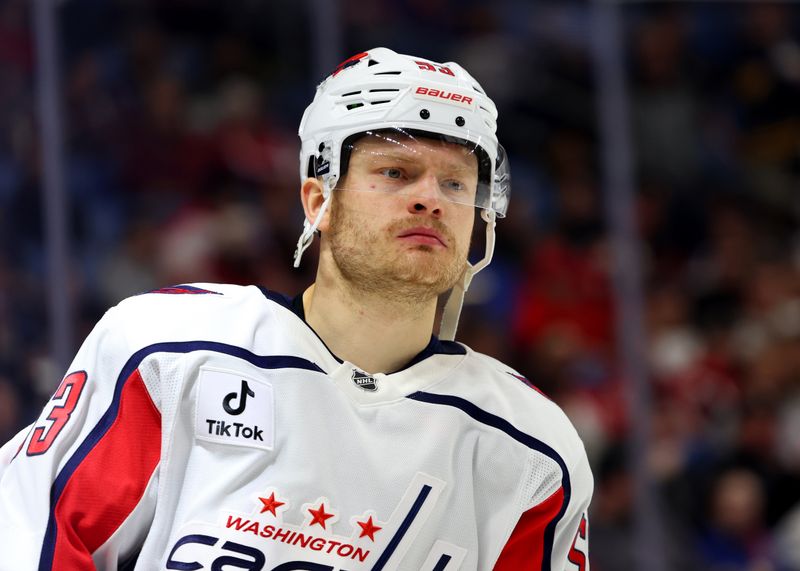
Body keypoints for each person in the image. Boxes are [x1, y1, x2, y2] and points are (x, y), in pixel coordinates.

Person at [0, 47, 592, 570]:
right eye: (395, 172)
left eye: (457, 184)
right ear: (319, 200)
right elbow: (34, 530)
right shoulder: (170, 348)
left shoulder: (529, 452)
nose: (430, 200)